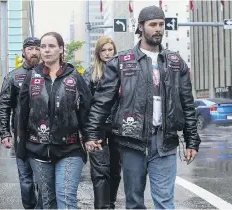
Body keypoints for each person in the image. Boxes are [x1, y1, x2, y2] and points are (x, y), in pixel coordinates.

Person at [84, 6, 200, 209]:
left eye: (161, 25)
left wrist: (192, 141)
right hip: (131, 142)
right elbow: (102, 101)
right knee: (134, 201)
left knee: (164, 201)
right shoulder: (121, 61)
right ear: (141, 27)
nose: (158, 29)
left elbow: (187, 103)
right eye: (152, 24)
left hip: (165, 141)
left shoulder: (175, 62)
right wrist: (92, 133)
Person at [18, 32, 92, 209]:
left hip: (70, 149)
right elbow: (23, 114)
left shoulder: (74, 76)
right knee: (48, 202)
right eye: (43, 46)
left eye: (51, 46)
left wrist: (90, 137)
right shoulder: (32, 77)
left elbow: (86, 110)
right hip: (38, 150)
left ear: (61, 49)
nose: (46, 50)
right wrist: (21, 148)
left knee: (66, 199)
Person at [0, 37, 41, 209]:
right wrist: (4, 133)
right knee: (26, 180)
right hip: (21, 136)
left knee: (43, 179)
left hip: (45, 136)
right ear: (23, 52)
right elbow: (4, 106)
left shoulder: (47, 73)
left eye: (37, 48)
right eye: (30, 49)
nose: (34, 52)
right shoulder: (13, 77)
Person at [83, 36, 121, 209]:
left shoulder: (123, 71)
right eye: (103, 50)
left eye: (110, 49)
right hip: (97, 128)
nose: (107, 53)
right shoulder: (90, 73)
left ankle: (110, 203)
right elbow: (84, 104)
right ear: (98, 53)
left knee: (115, 171)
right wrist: (86, 132)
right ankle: (102, 207)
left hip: (119, 128)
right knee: (99, 172)